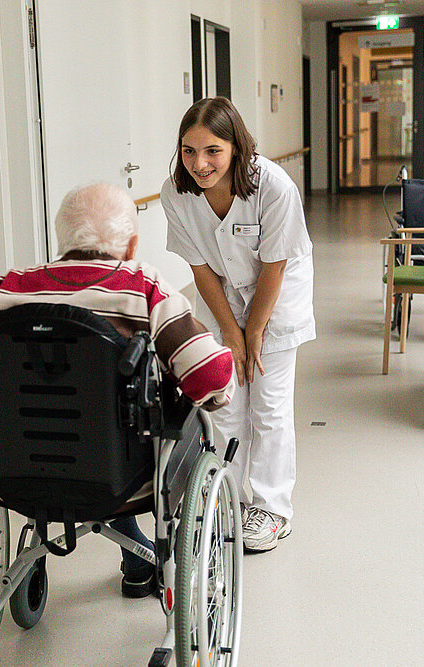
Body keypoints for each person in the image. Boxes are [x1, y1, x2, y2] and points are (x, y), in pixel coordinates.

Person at [0, 182, 234, 597]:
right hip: (127, 482)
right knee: (181, 425)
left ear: (61, 239)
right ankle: (149, 559)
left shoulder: (6, 291)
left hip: (14, 476)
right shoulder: (144, 290)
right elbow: (212, 378)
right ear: (131, 246)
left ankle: (131, 555)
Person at [161, 97, 315, 553]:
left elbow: (275, 266)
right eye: (189, 151)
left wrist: (254, 333)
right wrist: (230, 332)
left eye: (212, 150)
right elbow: (202, 270)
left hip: (277, 294)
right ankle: (225, 499)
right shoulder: (176, 194)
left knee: (268, 402)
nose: (200, 163)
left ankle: (272, 508)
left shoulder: (273, 187)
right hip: (221, 297)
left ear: (236, 148)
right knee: (225, 402)